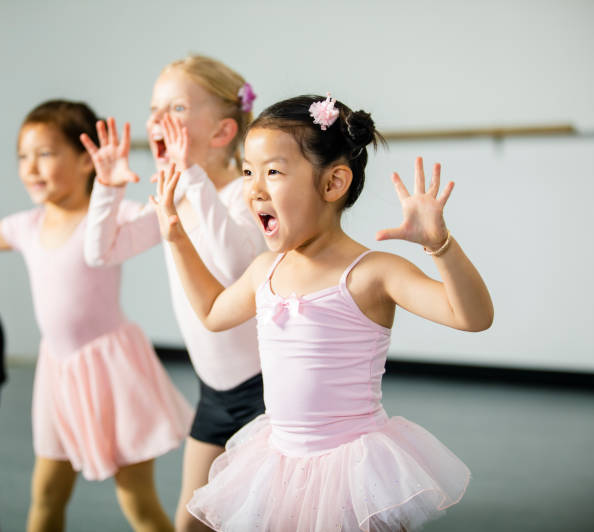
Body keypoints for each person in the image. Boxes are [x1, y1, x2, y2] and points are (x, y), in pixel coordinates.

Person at [152, 93, 495, 531]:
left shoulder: (372, 272)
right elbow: (213, 313)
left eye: (272, 172)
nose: (253, 188)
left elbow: (473, 317)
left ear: (333, 183)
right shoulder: (265, 270)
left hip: (351, 472)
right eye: (247, 172)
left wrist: (439, 245)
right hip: (279, 464)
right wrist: (177, 239)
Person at [80, 54, 266, 532]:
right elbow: (103, 251)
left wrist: (195, 179)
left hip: (267, 392)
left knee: (267, 518)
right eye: (153, 107)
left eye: (177, 109)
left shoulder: (245, 196)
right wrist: (106, 188)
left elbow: (235, 272)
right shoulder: (177, 193)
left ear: (224, 132)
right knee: (192, 523)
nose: (156, 120)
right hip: (215, 394)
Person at [0, 99, 194, 531]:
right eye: (23, 156)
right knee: (46, 496)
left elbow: (157, 216)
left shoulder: (106, 217)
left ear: (89, 161)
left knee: (138, 502)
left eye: (46, 154)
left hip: (112, 371)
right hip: (58, 375)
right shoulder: (25, 226)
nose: (31, 167)